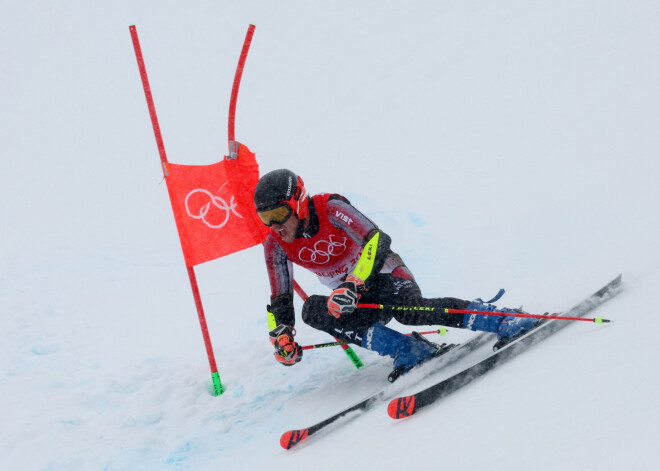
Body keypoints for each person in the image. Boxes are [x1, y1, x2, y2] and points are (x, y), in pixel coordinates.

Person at [254, 169, 537, 379]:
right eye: (265, 218)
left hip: (384, 274)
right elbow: (279, 296)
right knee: (312, 309)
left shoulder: (331, 209)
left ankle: (503, 318)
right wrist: (282, 334)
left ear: (299, 201)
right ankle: (408, 350)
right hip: (349, 298)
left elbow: (377, 240)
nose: (274, 225)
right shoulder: (275, 245)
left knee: (409, 311)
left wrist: (353, 283)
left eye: (278, 213)